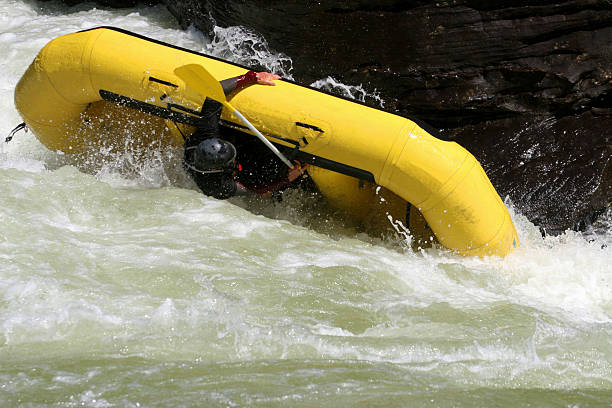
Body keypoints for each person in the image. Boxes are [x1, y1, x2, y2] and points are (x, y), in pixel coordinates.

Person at [183, 70, 308, 199]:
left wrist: (251, 77)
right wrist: (286, 179)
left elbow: (213, 95)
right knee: (265, 189)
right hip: (229, 172)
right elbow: (256, 189)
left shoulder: (206, 137)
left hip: (223, 144)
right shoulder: (218, 186)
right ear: (216, 169)